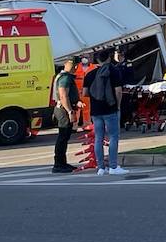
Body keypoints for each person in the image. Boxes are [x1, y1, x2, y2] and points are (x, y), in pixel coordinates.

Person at [85, 47, 133, 175]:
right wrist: (117, 105)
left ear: (97, 60)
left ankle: (101, 167)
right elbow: (118, 90)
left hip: (95, 110)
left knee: (98, 138)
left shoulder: (90, 74)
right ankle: (113, 166)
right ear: (109, 58)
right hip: (110, 108)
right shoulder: (114, 71)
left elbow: (85, 93)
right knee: (113, 137)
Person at [51, 56, 82, 173]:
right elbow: (63, 96)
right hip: (63, 110)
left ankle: (61, 163)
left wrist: (76, 102)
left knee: (63, 138)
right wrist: (70, 112)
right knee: (63, 138)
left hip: (62, 109)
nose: (75, 67)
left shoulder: (62, 76)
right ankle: (59, 164)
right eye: (74, 65)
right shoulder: (65, 78)